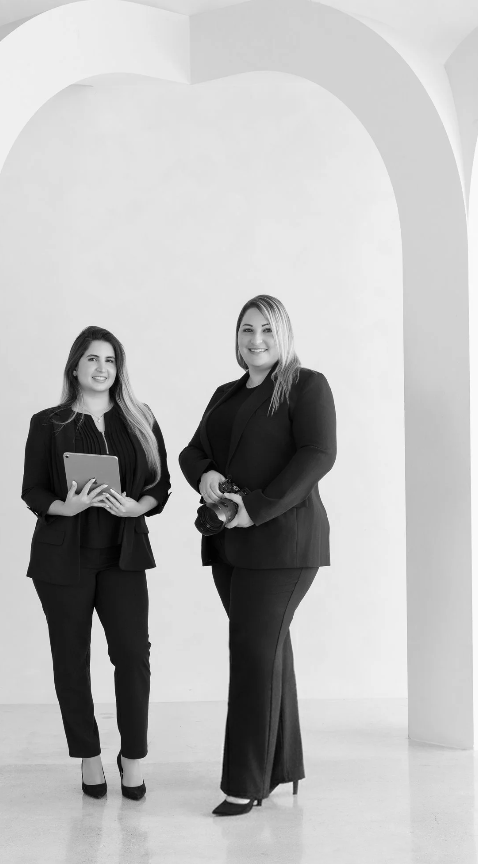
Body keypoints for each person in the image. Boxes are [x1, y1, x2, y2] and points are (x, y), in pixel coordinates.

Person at [179, 294, 336, 816]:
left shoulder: (305, 385)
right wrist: (204, 475)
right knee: (266, 650)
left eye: (267, 329)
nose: (256, 339)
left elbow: (318, 454)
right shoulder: (225, 394)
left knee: (251, 653)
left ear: (283, 334)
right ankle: (281, 767)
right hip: (230, 543)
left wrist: (258, 507)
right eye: (247, 329)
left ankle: (245, 783)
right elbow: (192, 451)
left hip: (283, 543)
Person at [22, 325, 170, 800]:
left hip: (122, 558)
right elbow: (32, 490)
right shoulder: (48, 423)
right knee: (71, 659)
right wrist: (68, 506)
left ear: (118, 368)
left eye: (109, 359)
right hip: (63, 562)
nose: (102, 367)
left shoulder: (141, 418)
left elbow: (160, 485)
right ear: (75, 367)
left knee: (132, 655)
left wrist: (135, 507)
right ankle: (88, 757)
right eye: (92, 358)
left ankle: (133, 757)